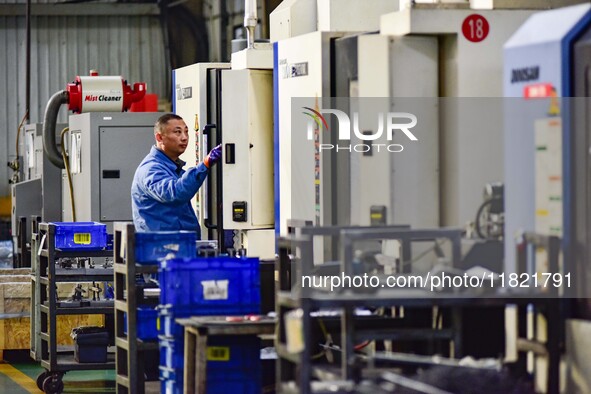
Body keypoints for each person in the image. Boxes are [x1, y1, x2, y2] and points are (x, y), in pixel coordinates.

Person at [131, 113, 221, 238]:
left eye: (186, 132)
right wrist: (204, 164)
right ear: (159, 137)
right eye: (177, 132)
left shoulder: (172, 168)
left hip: (177, 247)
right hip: (161, 250)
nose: (184, 138)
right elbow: (175, 192)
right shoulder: (151, 169)